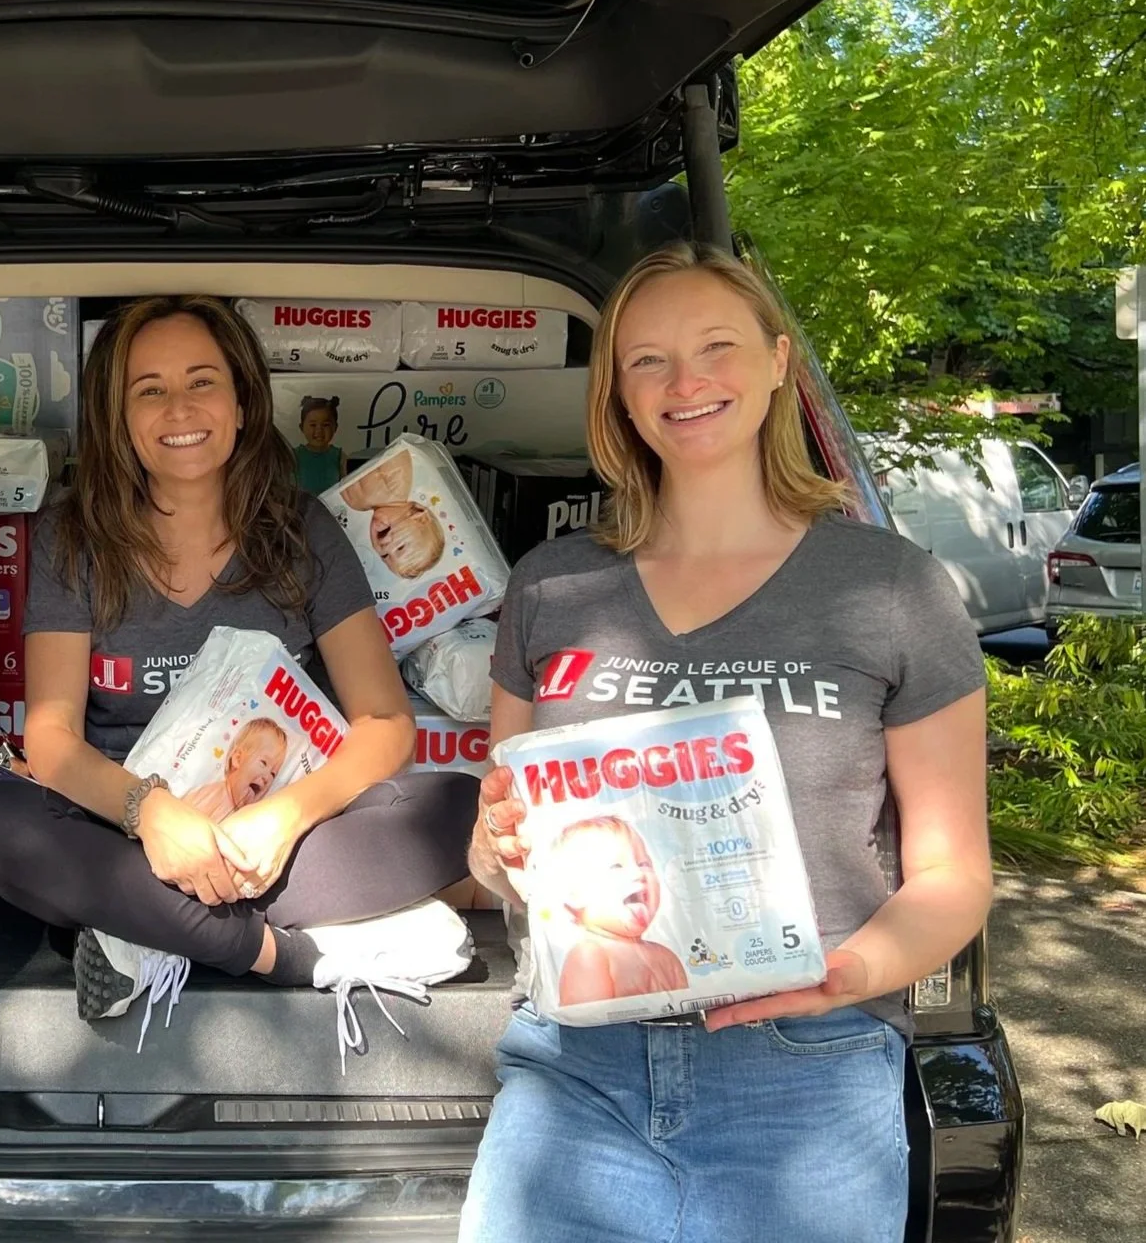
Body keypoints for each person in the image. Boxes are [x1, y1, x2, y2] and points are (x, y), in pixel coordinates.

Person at [458, 245, 990, 1243]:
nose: (685, 381)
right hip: (577, 1070)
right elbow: (495, 854)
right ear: (616, 390)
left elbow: (955, 875)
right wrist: (500, 846)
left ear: (780, 359)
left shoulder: (890, 588)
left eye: (716, 346)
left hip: (809, 1074)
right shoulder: (552, 584)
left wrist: (848, 970)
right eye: (647, 359)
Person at [0, 295, 479, 1027]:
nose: (180, 408)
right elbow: (50, 739)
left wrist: (286, 817)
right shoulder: (72, 536)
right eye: (150, 390)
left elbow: (387, 722)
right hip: (126, 837)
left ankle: (137, 934)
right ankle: (281, 955)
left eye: (202, 381)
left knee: (458, 808)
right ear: (119, 420)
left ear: (240, 403)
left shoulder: (301, 528)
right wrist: (151, 813)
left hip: (275, 842)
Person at [543, 816, 688, 1007]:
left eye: (644, 863)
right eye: (616, 866)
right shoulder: (590, 956)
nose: (638, 874)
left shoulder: (667, 957)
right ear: (575, 895)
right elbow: (589, 1028)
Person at [337, 455, 444, 579]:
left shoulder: (356, 506)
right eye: (400, 547)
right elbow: (393, 449)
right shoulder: (398, 480)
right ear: (420, 517)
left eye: (385, 556)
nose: (385, 546)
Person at [181, 718, 290, 821]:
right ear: (237, 759)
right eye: (263, 763)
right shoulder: (216, 795)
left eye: (273, 774)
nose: (267, 777)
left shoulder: (243, 817)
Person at [293, 395, 346, 494]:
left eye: (325, 425)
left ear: (335, 427)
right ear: (301, 427)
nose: (319, 430)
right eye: (313, 425)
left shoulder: (339, 457)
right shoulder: (293, 456)